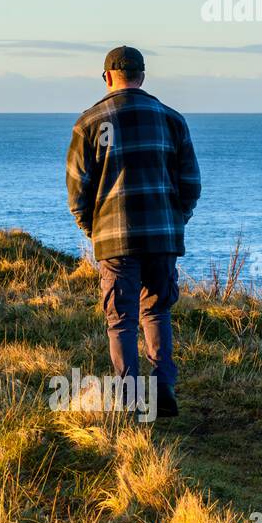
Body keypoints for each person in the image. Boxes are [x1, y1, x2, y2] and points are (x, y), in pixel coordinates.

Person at [65, 46, 200, 417]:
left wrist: (93, 229)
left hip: (114, 238)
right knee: (156, 311)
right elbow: (190, 183)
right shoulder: (172, 121)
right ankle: (164, 385)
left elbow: (78, 188)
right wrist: (177, 220)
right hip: (162, 236)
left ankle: (130, 397)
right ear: (143, 75)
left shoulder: (90, 123)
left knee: (120, 319)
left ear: (107, 76)